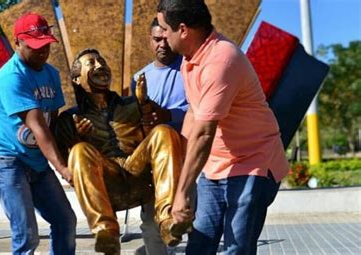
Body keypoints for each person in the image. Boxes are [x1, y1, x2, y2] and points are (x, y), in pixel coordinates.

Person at [157, 1, 290, 254]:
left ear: (183, 29)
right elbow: (194, 115)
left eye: (164, 28)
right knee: (199, 247)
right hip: (215, 166)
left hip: (253, 164)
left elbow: (205, 131)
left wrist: (182, 193)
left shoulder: (221, 60)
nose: (162, 35)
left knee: (235, 249)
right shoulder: (191, 59)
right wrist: (180, 175)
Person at [54, 48, 192, 254]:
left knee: (164, 131)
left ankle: (168, 220)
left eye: (102, 61)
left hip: (139, 174)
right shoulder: (70, 119)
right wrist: (78, 139)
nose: (100, 66)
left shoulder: (133, 103)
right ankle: (106, 232)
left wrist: (145, 106)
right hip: (108, 183)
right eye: (91, 63)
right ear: (76, 79)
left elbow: (156, 141)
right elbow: (69, 165)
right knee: (80, 150)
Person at [0, 13, 76, 255]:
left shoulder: (51, 74)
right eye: (35, 46)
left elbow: (52, 122)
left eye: (45, 45)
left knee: (65, 220)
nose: (42, 51)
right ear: (17, 44)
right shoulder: (10, 78)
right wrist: (63, 169)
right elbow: (38, 127)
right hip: (5, 159)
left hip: (36, 160)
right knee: (26, 234)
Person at [131, 17, 188, 255]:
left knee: (191, 218)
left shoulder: (190, 68)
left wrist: (169, 115)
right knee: (151, 222)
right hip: (153, 165)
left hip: (187, 159)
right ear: (150, 41)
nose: (162, 45)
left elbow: (203, 111)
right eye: (157, 39)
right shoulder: (139, 78)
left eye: (166, 39)